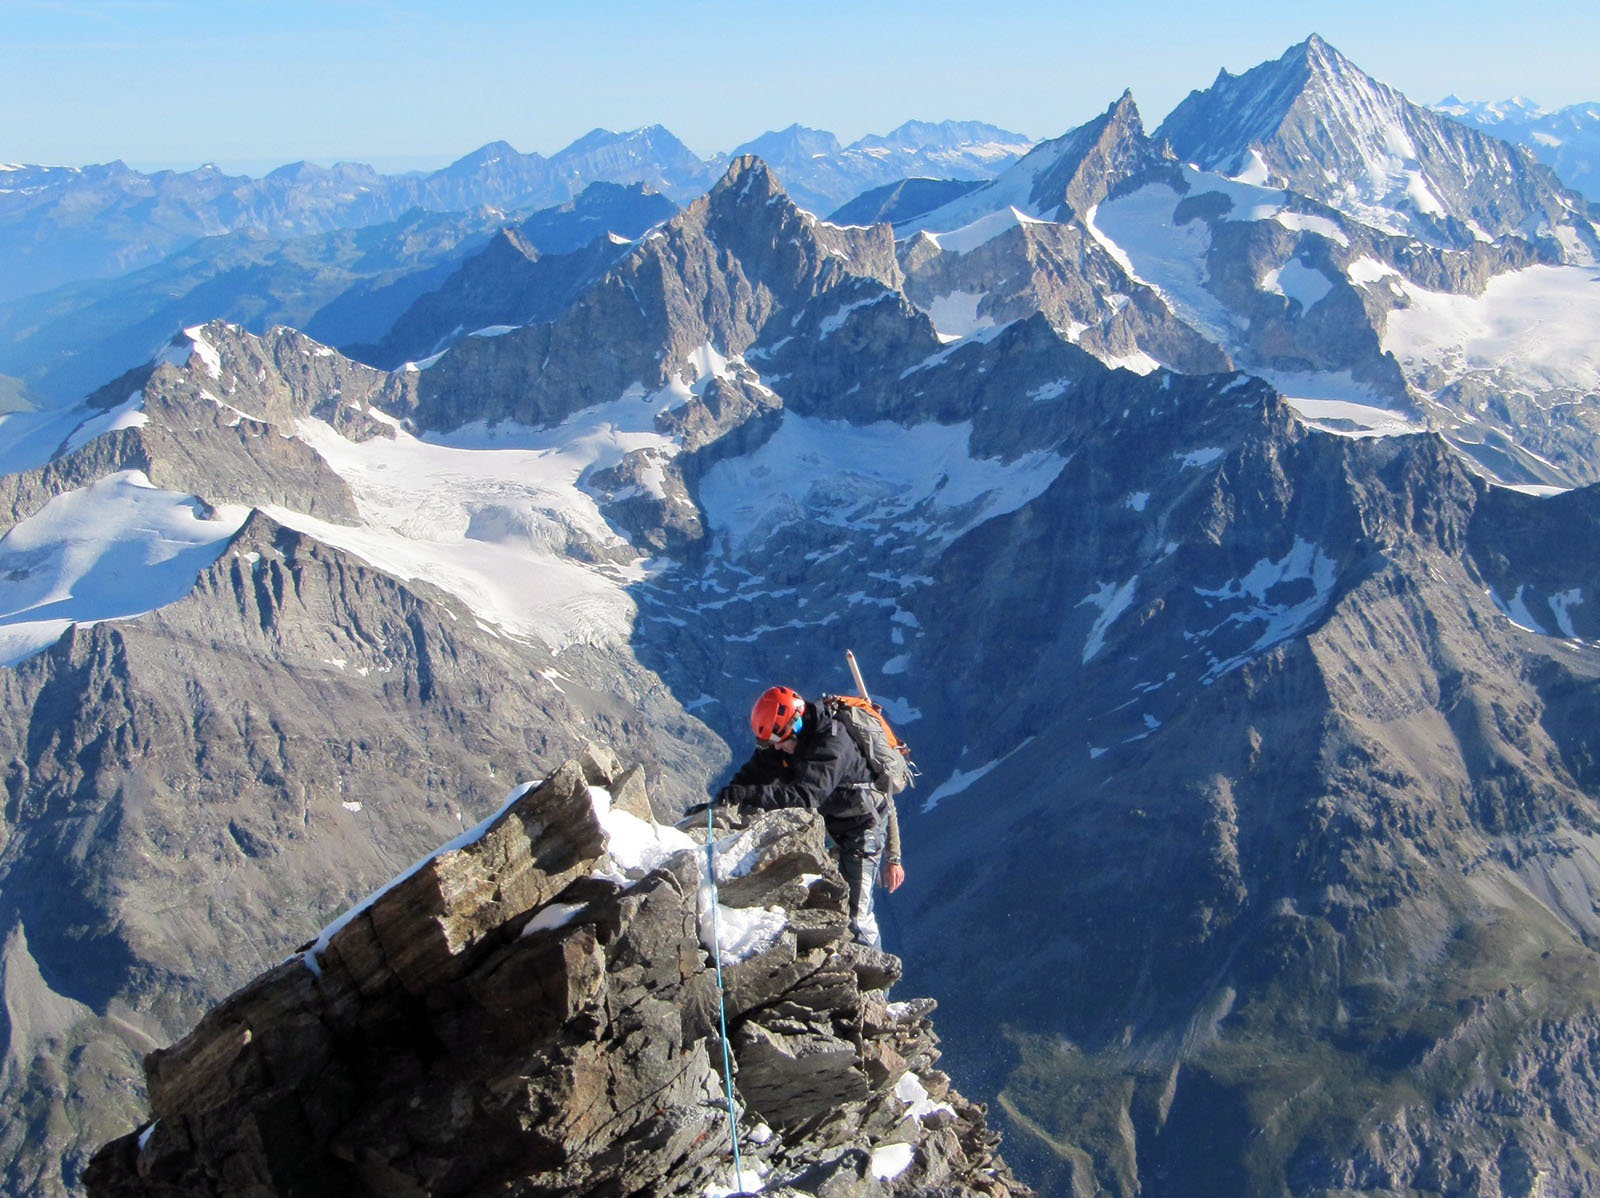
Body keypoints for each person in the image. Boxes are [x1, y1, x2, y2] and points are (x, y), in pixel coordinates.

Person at [716, 685, 903, 947]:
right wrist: (729, 795)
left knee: (857, 915)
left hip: (863, 831)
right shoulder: (787, 733)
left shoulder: (833, 745)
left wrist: (749, 796)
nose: (778, 750)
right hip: (835, 823)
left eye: (781, 743)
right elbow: (757, 769)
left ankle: (875, 979)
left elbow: (806, 797)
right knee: (830, 902)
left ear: (796, 727)